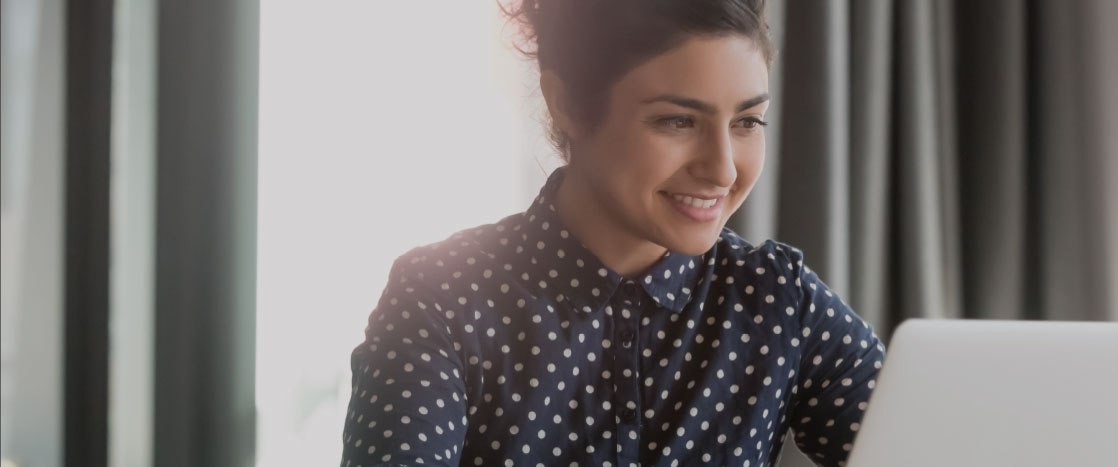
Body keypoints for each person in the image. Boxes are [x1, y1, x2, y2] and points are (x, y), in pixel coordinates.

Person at [340, 1, 884, 466]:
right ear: (568, 105)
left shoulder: (778, 300)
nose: (723, 169)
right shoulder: (441, 298)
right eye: (678, 121)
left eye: (747, 122)